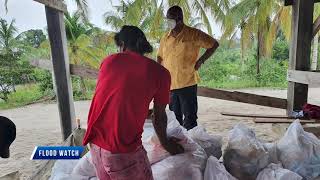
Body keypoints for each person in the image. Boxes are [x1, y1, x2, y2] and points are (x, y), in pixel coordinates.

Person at [83, 25, 184, 180]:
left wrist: (146, 114)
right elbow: (159, 117)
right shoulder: (160, 73)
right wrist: (167, 145)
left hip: (95, 145)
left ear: (122, 45)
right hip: (121, 151)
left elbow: (117, 103)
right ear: (143, 46)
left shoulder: (108, 62)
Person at [157, 6, 219, 130]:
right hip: (170, 85)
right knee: (175, 119)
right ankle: (180, 144)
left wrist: (201, 60)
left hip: (187, 83)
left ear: (180, 19)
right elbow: (160, 57)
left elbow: (214, 44)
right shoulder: (165, 37)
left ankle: (191, 147)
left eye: (171, 19)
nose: (169, 22)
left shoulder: (194, 34)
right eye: (167, 19)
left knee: (190, 119)